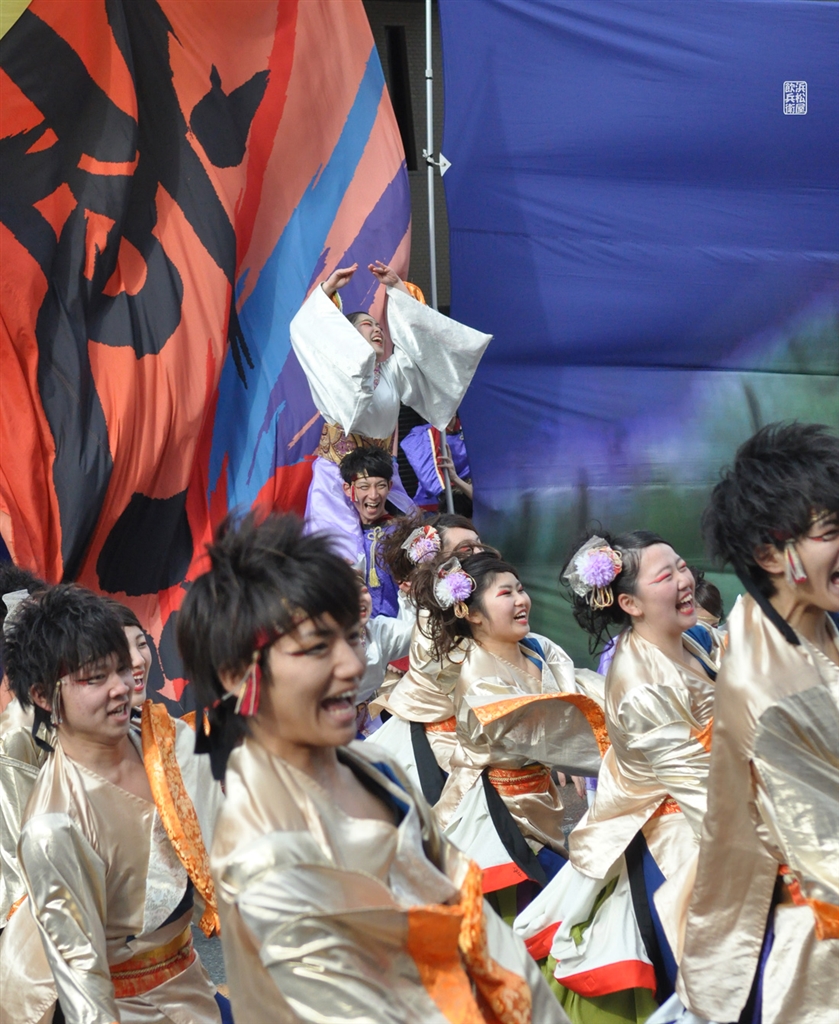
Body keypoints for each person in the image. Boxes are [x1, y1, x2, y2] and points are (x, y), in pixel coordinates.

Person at [176, 511, 568, 1024]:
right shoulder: (262, 848)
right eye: (317, 648)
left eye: (353, 637)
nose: (352, 666)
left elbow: (475, 921)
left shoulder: (374, 763)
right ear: (238, 675)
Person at [514, 532, 720, 1023]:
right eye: (666, 576)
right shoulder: (639, 681)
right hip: (683, 834)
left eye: (682, 566)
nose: (685, 580)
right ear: (630, 603)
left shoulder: (694, 638)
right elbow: (698, 787)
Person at [0, 585, 227, 1024]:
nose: (121, 687)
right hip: (126, 1009)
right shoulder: (55, 825)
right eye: (95, 678)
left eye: (122, 668)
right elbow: (85, 989)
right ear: (43, 696)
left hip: (191, 983)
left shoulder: (164, 738)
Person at [674, 423, 839, 1024]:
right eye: (831, 533)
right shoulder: (768, 687)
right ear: (770, 554)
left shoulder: (809, 622)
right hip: (820, 947)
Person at [409, 550, 604, 910]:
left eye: (521, 589)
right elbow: (539, 729)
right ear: (472, 613)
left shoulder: (539, 649)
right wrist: (607, 750)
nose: (521, 600)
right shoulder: (478, 674)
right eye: (506, 593)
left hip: (539, 799)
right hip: (495, 809)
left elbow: (582, 690)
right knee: (537, 908)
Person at [290, 260, 491, 560]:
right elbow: (305, 330)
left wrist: (397, 287)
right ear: (347, 336)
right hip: (336, 474)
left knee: (413, 545)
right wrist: (328, 290)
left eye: (378, 326)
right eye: (366, 325)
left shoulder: (392, 372)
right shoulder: (334, 374)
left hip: (385, 475)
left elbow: (422, 346)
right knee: (339, 556)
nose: (377, 329)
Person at [368, 513, 489, 800]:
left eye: (480, 546)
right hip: (440, 747)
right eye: (466, 549)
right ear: (435, 564)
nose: (478, 554)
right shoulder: (431, 623)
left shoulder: (491, 605)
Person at [338, 446, 402, 617]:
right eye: (364, 486)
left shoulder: (404, 533)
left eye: (380, 486)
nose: (373, 495)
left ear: (389, 486)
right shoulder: (343, 538)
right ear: (348, 489)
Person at [400, 414, 473, 511]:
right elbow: (428, 474)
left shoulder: (473, 432)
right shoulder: (420, 435)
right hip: (432, 504)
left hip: (468, 499)